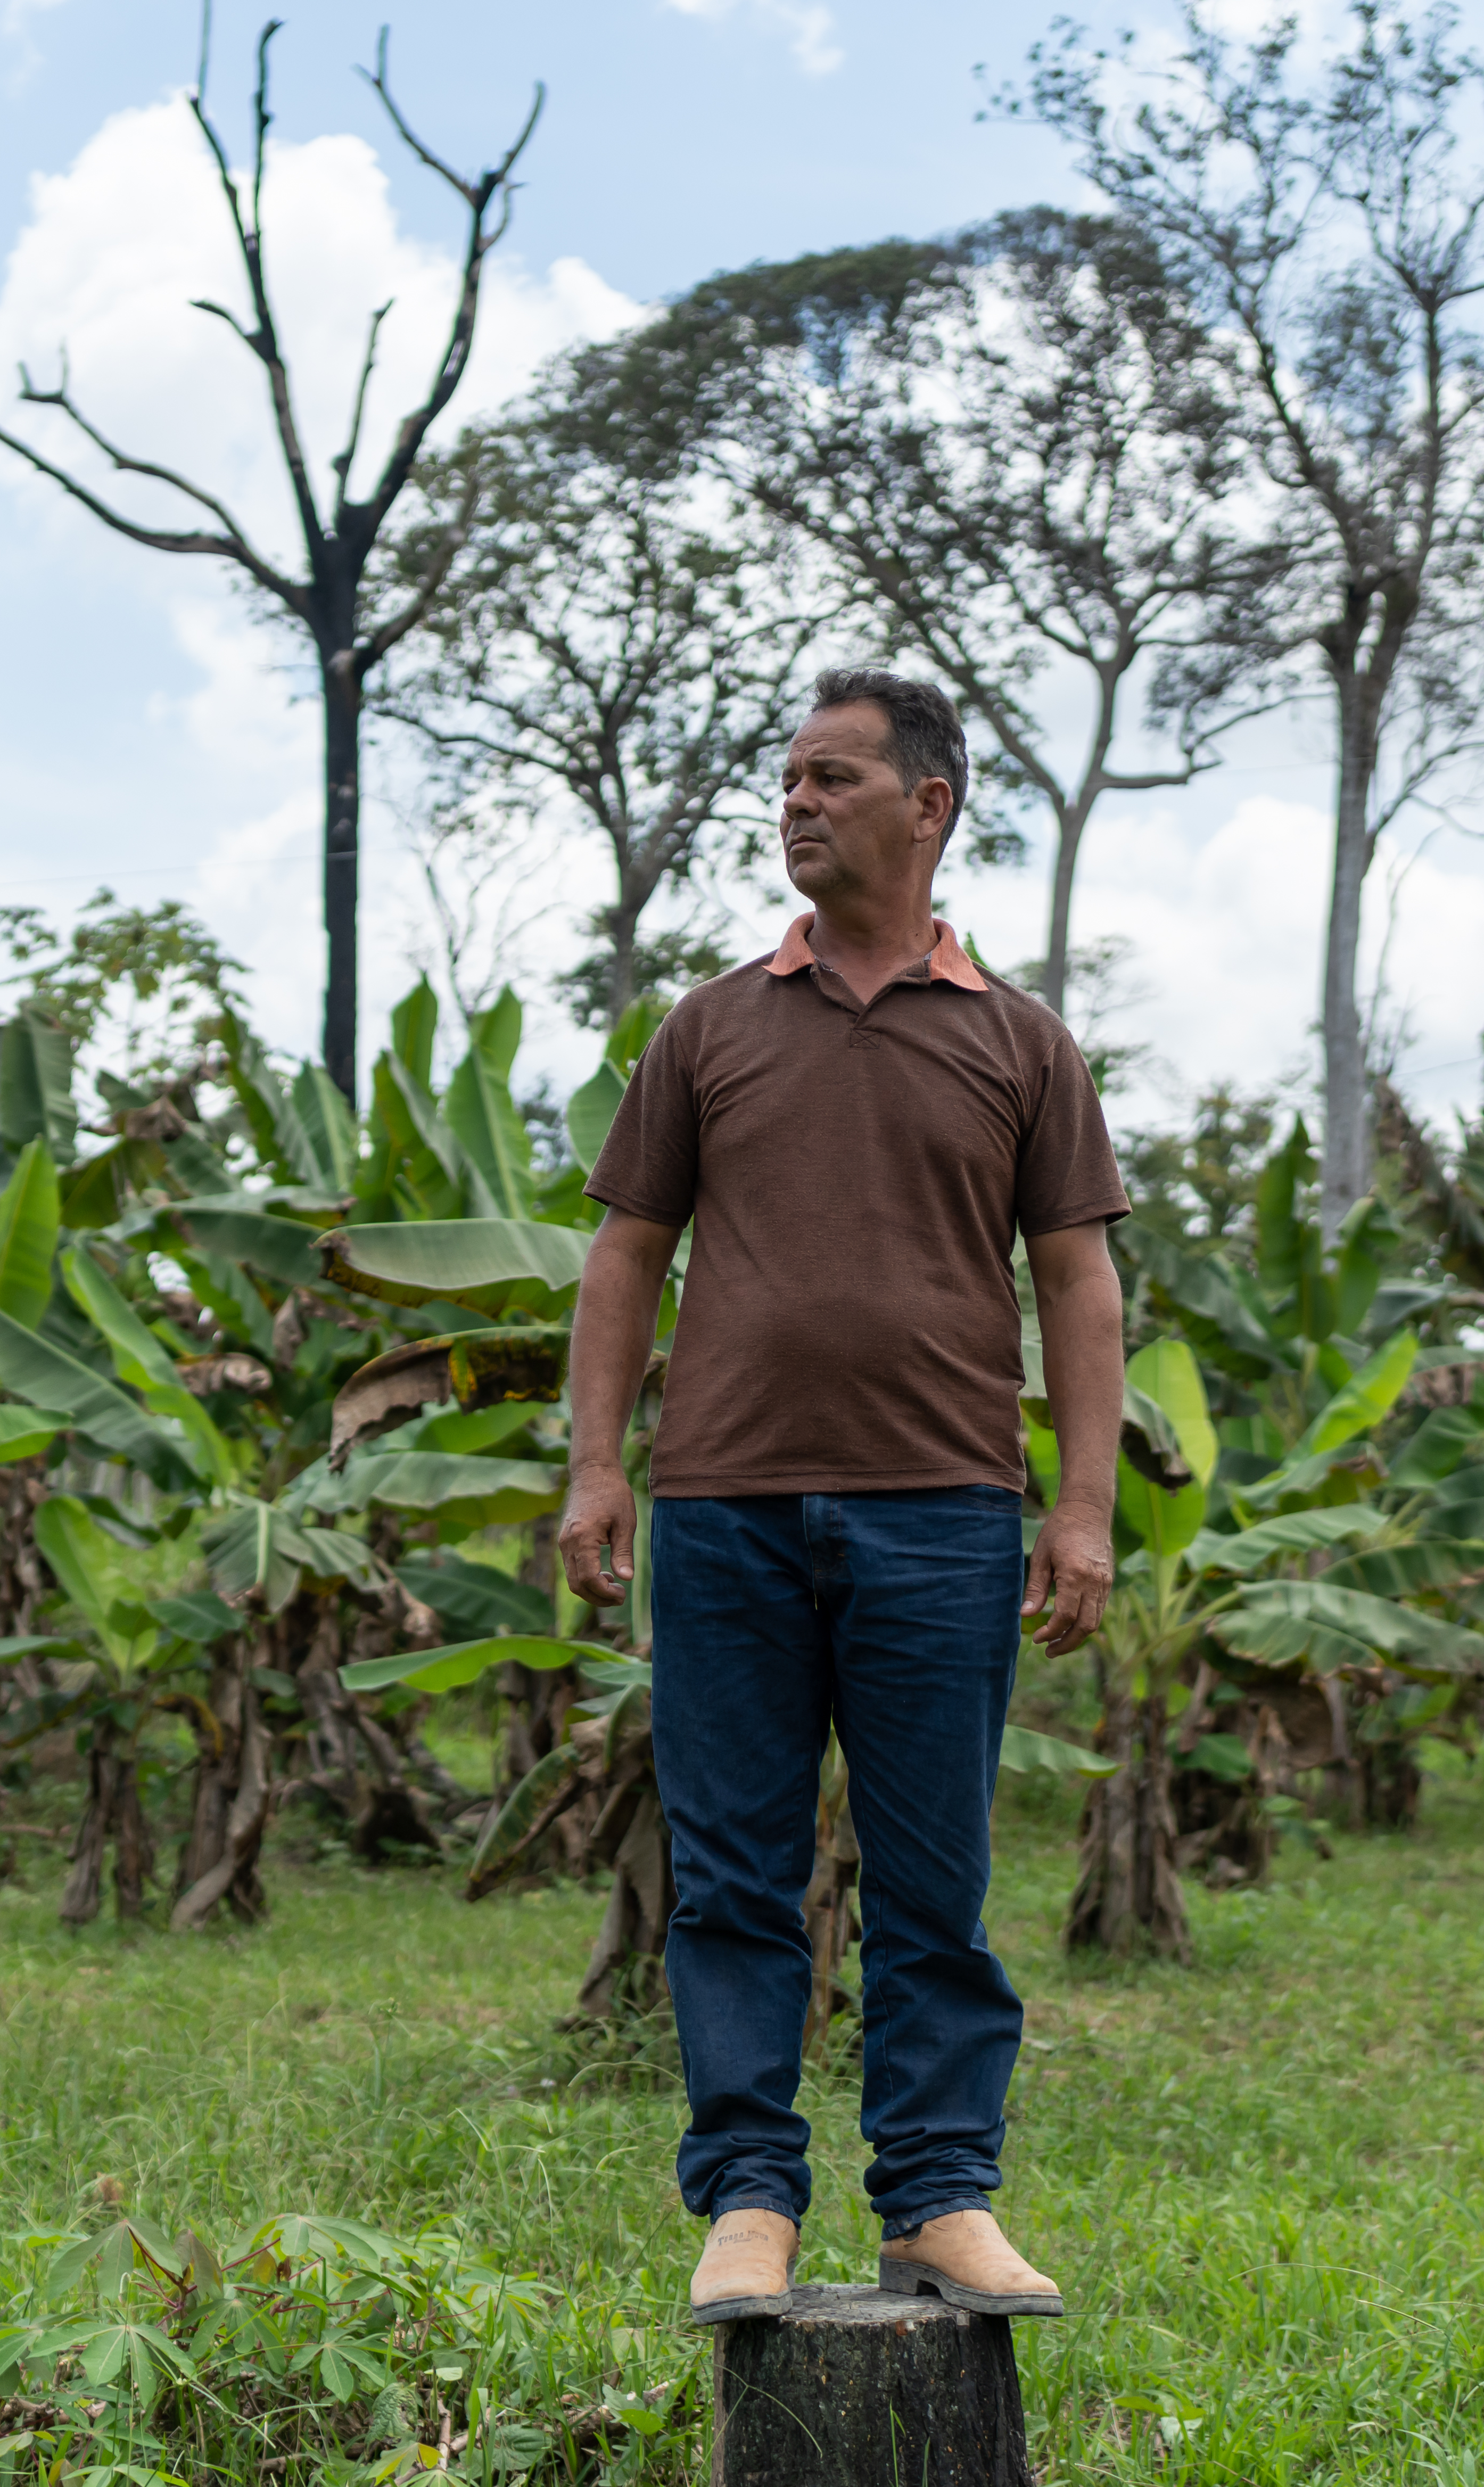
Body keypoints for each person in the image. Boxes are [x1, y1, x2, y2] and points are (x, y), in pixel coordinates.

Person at [559, 666, 1128, 2325]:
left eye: (832, 778)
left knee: (933, 1880)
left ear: (927, 807)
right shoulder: (713, 1025)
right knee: (733, 1877)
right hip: (726, 1508)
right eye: (788, 779)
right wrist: (599, 1466)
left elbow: (1079, 1287)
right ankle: (747, 2200)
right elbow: (627, 1252)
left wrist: (1079, 1509)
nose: (797, 802)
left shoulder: (1020, 1042)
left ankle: (941, 2198)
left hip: (945, 1513)